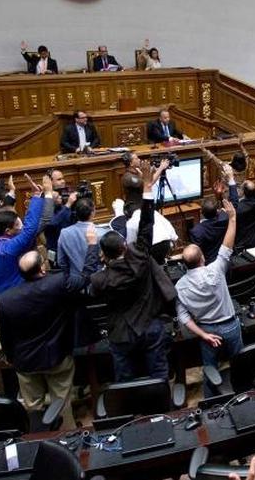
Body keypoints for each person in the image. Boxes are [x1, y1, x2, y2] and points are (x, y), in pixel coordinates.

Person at [89, 160, 175, 382]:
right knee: (159, 371)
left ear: (104, 255)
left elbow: (86, 278)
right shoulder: (140, 257)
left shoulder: (101, 279)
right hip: (151, 325)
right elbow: (147, 225)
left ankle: (131, 412)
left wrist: (91, 247)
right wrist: (147, 189)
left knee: (125, 377)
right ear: (125, 246)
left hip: (121, 332)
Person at [0, 242, 92, 428]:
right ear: (42, 267)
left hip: (25, 360)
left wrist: (10, 356)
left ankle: (40, 438)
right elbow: (83, 280)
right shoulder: (57, 283)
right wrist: (91, 248)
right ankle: (67, 437)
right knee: (61, 402)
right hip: (56, 356)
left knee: (33, 406)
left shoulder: (6, 298)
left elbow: (4, 333)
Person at [177, 199, 242, 382]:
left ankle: (211, 402)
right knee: (239, 363)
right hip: (230, 326)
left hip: (207, 331)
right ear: (203, 258)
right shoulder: (216, 270)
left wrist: (203, 334)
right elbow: (227, 246)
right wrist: (233, 218)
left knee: (210, 370)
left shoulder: (179, 286)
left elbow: (183, 317)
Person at [0, 175, 52, 297]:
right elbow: (30, 230)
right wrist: (36, 196)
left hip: (0, 294)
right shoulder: (7, 248)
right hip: (18, 293)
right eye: (17, 224)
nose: (20, 226)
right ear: (8, 230)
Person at [231, 157, 255, 250]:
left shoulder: (239, 208)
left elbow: (233, 203)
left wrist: (231, 181)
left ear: (243, 192)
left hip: (245, 241)